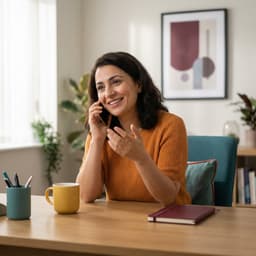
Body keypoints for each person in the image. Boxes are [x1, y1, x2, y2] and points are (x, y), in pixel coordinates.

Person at [76, 51, 191, 206]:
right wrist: (97, 140)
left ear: (138, 84)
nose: (108, 93)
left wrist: (141, 158)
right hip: (121, 224)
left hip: (169, 221)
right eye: (101, 87)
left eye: (116, 82)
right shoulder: (100, 130)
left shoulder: (171, 125)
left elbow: (167, 197)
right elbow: (85, 195)